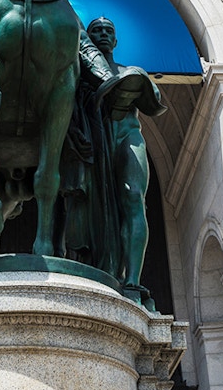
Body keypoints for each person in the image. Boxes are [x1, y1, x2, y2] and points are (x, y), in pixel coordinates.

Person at [64, 17, 166, 295]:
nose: (103, 34)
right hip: (95, 140)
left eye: (109, 31)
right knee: (90, 204)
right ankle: (97, 266)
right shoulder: (77, 76)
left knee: (134, 197)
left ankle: (132, 278)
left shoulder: (131, 70)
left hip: (127, 136)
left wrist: (135, 84)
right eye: (96, 30)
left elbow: (154, 102)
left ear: (116, 40)